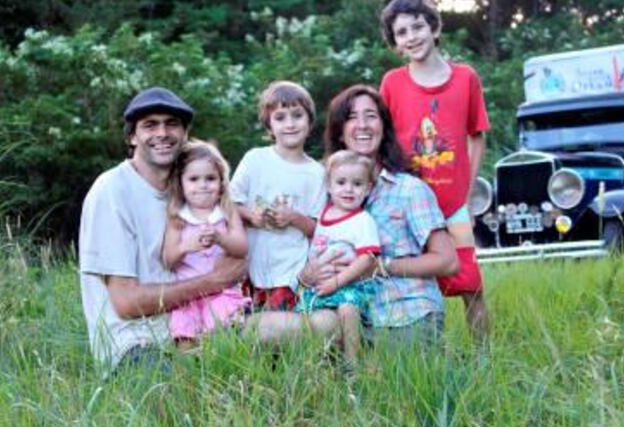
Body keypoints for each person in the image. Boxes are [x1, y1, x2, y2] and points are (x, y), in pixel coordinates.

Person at [254, 85, 457, 346]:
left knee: (387, 376)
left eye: (371, 116)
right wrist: (307, 275)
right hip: (340, 312)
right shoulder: (325, 191)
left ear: (383, 127)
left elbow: (448, 261)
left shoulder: (408, 189)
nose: (362, 125)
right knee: (264, 331)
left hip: (403, 311)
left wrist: (381, 267)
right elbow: (306, 248)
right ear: (339, 131)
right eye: (351, 117)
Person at [79, 87, 246, 372]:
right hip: (136, 344)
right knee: (180, 395)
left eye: (171, 123)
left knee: (284, 336)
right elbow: (127, 303)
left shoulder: (190, 187)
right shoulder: (112, 191)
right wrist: (214, 281)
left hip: (200, 326)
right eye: (149, 125)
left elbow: (235, 232)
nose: (162, 133)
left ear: (184, 133)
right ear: (132, 137)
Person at [379, 0, 491, 342]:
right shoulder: (392, 83)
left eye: (418, 26)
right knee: (412, 283)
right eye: (402, 32)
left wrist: (467, 194)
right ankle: (421, 352)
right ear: (395, 43)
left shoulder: (465, 78)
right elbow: (385, 141)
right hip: (410, 203)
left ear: (435, 27)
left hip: (453, 204)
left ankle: (484, 361)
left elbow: (477, 136)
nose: (412, 37)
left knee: (470, 284)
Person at [230, 80, 326, 311]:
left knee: (285, 332)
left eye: (297, 115)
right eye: (280, 117)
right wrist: (252, 216)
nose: (290, 124)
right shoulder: (255, 159)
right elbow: (228, 204)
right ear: (269, 126)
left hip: (291, 272)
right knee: (252, 332)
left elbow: (318, 230)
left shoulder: (317, 173)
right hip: (252, 268)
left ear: (310, 121)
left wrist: (293, 218)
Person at [162, 140, 250, 348]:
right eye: (194, 179)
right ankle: (189, 379)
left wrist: (220, 238)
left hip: (221, 294)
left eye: (210, 178)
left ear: (221, 183)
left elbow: (242, 248)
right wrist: (186, 246)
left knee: (220, 339)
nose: (202, 185)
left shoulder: (226, 213)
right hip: (187, 296)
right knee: (185, 341)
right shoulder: (177, 218)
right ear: (181, 184)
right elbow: (168, 260)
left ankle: (218, 374)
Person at [296, 150, 381, 366]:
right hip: (320, 284)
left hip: (349, 284)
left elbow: (367, 258)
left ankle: (351, 362)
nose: (348, 189)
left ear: (368, 188)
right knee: (304, 314)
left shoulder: (362, 220)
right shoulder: (325, 213)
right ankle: (315, 360)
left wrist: (337, 282)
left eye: (357, 183)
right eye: (341, 182)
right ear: (329, 186)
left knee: (347, 308)